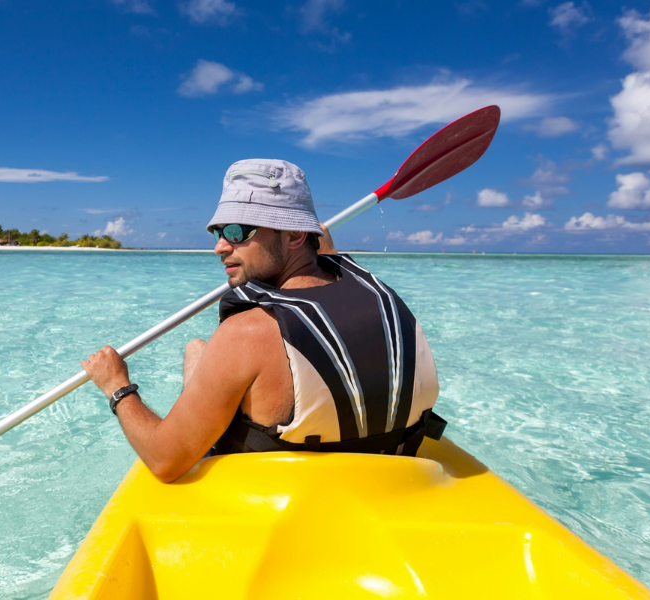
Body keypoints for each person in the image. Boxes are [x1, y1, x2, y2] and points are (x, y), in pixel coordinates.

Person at [81, 159, 442, 483]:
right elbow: (324, 261)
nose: (220, 247)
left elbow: (164, 462)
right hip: (392, 479)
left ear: (295, 236)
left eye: (238, 231)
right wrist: (311, 240)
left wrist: (117, 385)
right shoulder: (378, 292)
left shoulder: (247, 333)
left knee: (197, 352)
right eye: (218, 231)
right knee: (197, 349)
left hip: (288, 503)